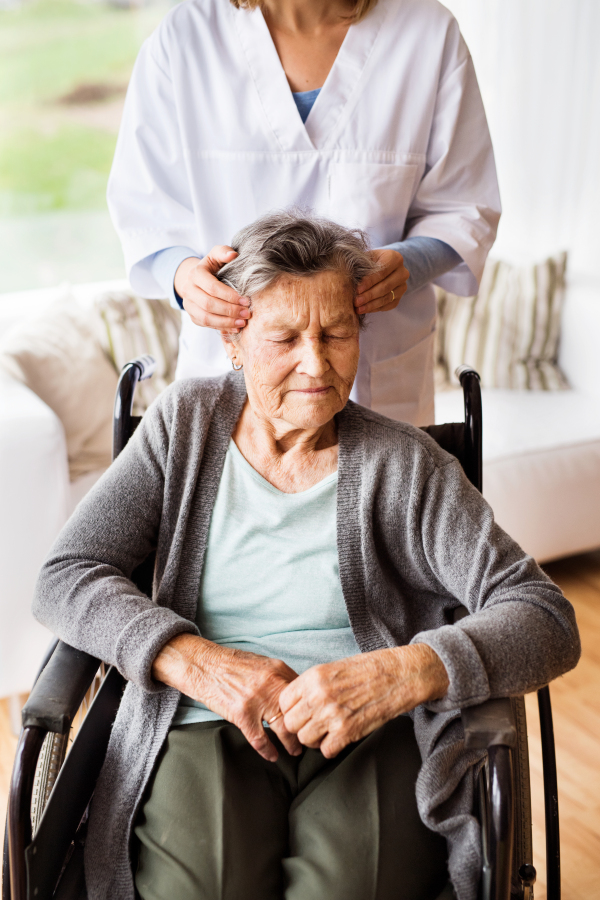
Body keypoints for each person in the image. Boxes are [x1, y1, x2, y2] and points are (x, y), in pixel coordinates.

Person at [33, 213, 578, 900]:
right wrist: (199, 663)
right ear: (234, 340)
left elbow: (545, 618)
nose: (316, 365)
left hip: (368, 731)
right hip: (204, 720)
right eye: (284, 338)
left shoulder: (407, 464)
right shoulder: (184, 426)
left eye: (336, 334)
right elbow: (65, 576)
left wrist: (404, 671)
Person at [107, 0, 501, 426]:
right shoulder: (184, 38)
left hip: (378, 382)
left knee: (385, 488)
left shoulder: (427, 32)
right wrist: (184, 277)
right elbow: (146, 209)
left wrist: (413, 262)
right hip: (228, 379)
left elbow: (463, 205)